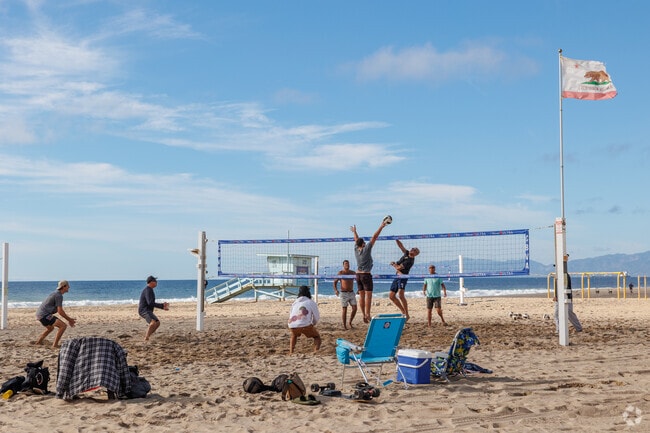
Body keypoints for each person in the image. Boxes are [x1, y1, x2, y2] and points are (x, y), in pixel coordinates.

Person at [350, 220, 389, 323]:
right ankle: (368, 314)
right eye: (364, 242)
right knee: (368, 296)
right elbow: (374, 237)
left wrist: (354, 231)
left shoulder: (355, 249)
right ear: (363, 244)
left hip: (357, 275)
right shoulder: (366, 249)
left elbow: (356, 240)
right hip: (366, 276)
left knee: (362, 297)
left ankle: (363, 314)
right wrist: (381, 226)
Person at [35, 280, 76, 348]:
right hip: (44, 315)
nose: (69, 287)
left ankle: (38, 342)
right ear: (64, 287)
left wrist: (69, 319)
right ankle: (55, 345)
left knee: (50, 329)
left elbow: (58, 310)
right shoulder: (58, 295)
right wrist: (70, 320)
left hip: (39, 314)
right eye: (68, 286)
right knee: (63, 326)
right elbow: (60, 311)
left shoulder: (55, 293)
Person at [388, 239, 420, 321]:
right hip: (397, 275)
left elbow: (398, 267)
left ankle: (407, 314)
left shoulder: (410, 261)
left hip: (403, 277)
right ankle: (403, 312)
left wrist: (393, 264)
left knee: (401, 295)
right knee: (391, 296)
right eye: (412, 248)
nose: (412, 249)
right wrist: (396, 238)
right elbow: (401, 246)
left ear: (416, 254)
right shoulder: (406, 253)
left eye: (414, 250)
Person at [553, 254, 582, 333]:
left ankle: (578, 328)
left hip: (566, 297)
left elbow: (566, 287)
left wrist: (567, 297)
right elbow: (556, 287)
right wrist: (555, 296)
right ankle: (558, 329)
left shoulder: (565, 275)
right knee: (556, 314)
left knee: (569, 313)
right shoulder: (557, 276)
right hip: (559, 298)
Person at [288, 285, 321, 354]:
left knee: (294, 335)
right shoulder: (310, 302)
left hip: (292, 324)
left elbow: (291, 314)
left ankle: (291, 352)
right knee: (317, 337)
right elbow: (316, 317)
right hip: (305, 325)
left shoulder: (295, 303)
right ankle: (316, 351)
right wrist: (312, 324)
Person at [138, 276, 169, 342]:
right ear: (151, 282)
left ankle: (147, 336)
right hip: (144, 310)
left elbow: (151, 303)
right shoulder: (148, 290)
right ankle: (146, 338)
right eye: (155, 281)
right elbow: (150, 303)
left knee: (157, 323)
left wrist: (162, 306)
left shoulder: (150, 289)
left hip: (148, 310)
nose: (157, 283)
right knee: (153, 322)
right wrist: (162, 306)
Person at [333, 259, 357, 329]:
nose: (347, 265)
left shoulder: (352, 273)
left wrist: (359, 289)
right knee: (344, 309)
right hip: (343, 293)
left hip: (351, 292)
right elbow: (335, 282)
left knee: (355, 308)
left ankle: (350, 322)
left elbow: (358, 281)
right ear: (343, 265)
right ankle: (344, 325)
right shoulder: (341, 273)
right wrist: (336, 290)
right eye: (346, 264)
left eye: (348, 264)